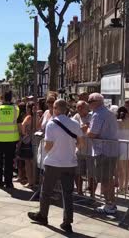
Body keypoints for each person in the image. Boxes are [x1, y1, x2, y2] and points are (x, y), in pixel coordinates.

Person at [28, 99, 85, 234]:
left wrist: (48, 151)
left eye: (53, 107)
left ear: (56, 108)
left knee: (46, 191)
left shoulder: (51, 124)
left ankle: (43, 215)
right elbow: (81, 143)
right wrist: (72, 150)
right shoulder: (75, 123)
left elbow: (48, 145)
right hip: (70, 163)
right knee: (68, 193)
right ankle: (67, 222)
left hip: (53, 162)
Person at [85, 93, 119, 215]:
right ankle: (110, 203)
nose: (88, 103)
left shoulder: (99, 114)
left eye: (90, 101)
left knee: (105, 179)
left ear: (97, 102)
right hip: (110, 150)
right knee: (107, 178)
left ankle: (110, 204)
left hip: (103, 151)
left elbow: (92, 133)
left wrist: (87, 129)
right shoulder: (108, 112)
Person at [0, 91, 20, 188]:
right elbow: (19, 124)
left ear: (2, 99)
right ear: (11, 99)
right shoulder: (16, 109)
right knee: (9, 162)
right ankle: (8, 182)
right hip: (11, 139)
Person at [71, 100, 93, 196]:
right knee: (77, 172)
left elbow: (88, 128)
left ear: (87, 108)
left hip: (91, 149)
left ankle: (92, 194)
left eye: (81, 107)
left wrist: (81, 129)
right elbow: (73, 129)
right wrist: (82, 128)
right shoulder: (76, 117)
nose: (79, 109)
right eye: (77, 107)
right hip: (79, 149)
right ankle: (79, 191)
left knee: (92, 173)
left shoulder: (92, 116)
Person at [18, 101, 36, 188]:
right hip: (36, 140)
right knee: (34, 163)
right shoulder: (38, 116)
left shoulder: (28, 117)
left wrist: (24, 133)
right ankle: (34, 181)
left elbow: (22, 125)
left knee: (28, 162)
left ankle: (30, 181)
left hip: (28, 141)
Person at [116, 106, 129, 195]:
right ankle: (125, 187)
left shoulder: (117, 122)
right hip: (127, 145)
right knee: (125, 168)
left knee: (120, 169)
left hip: (120, 145)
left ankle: (121, 187)